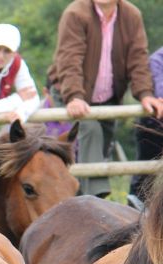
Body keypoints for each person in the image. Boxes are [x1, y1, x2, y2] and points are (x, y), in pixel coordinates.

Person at [47, 0, 163, 197]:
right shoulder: (75, 13)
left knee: (99, 149)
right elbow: (69, 59)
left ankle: (80, 201)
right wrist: (74, 96)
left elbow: (138, 59)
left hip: (107, 96)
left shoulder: (131, 16)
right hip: (72, 92)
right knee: (91, 129)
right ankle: (96, 198)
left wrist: (145, 94)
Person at [128, 46, 163, 208]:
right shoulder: (158, 59)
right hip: (155, 124)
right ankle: (138, 201)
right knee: (146, 171)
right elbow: (159, 91)